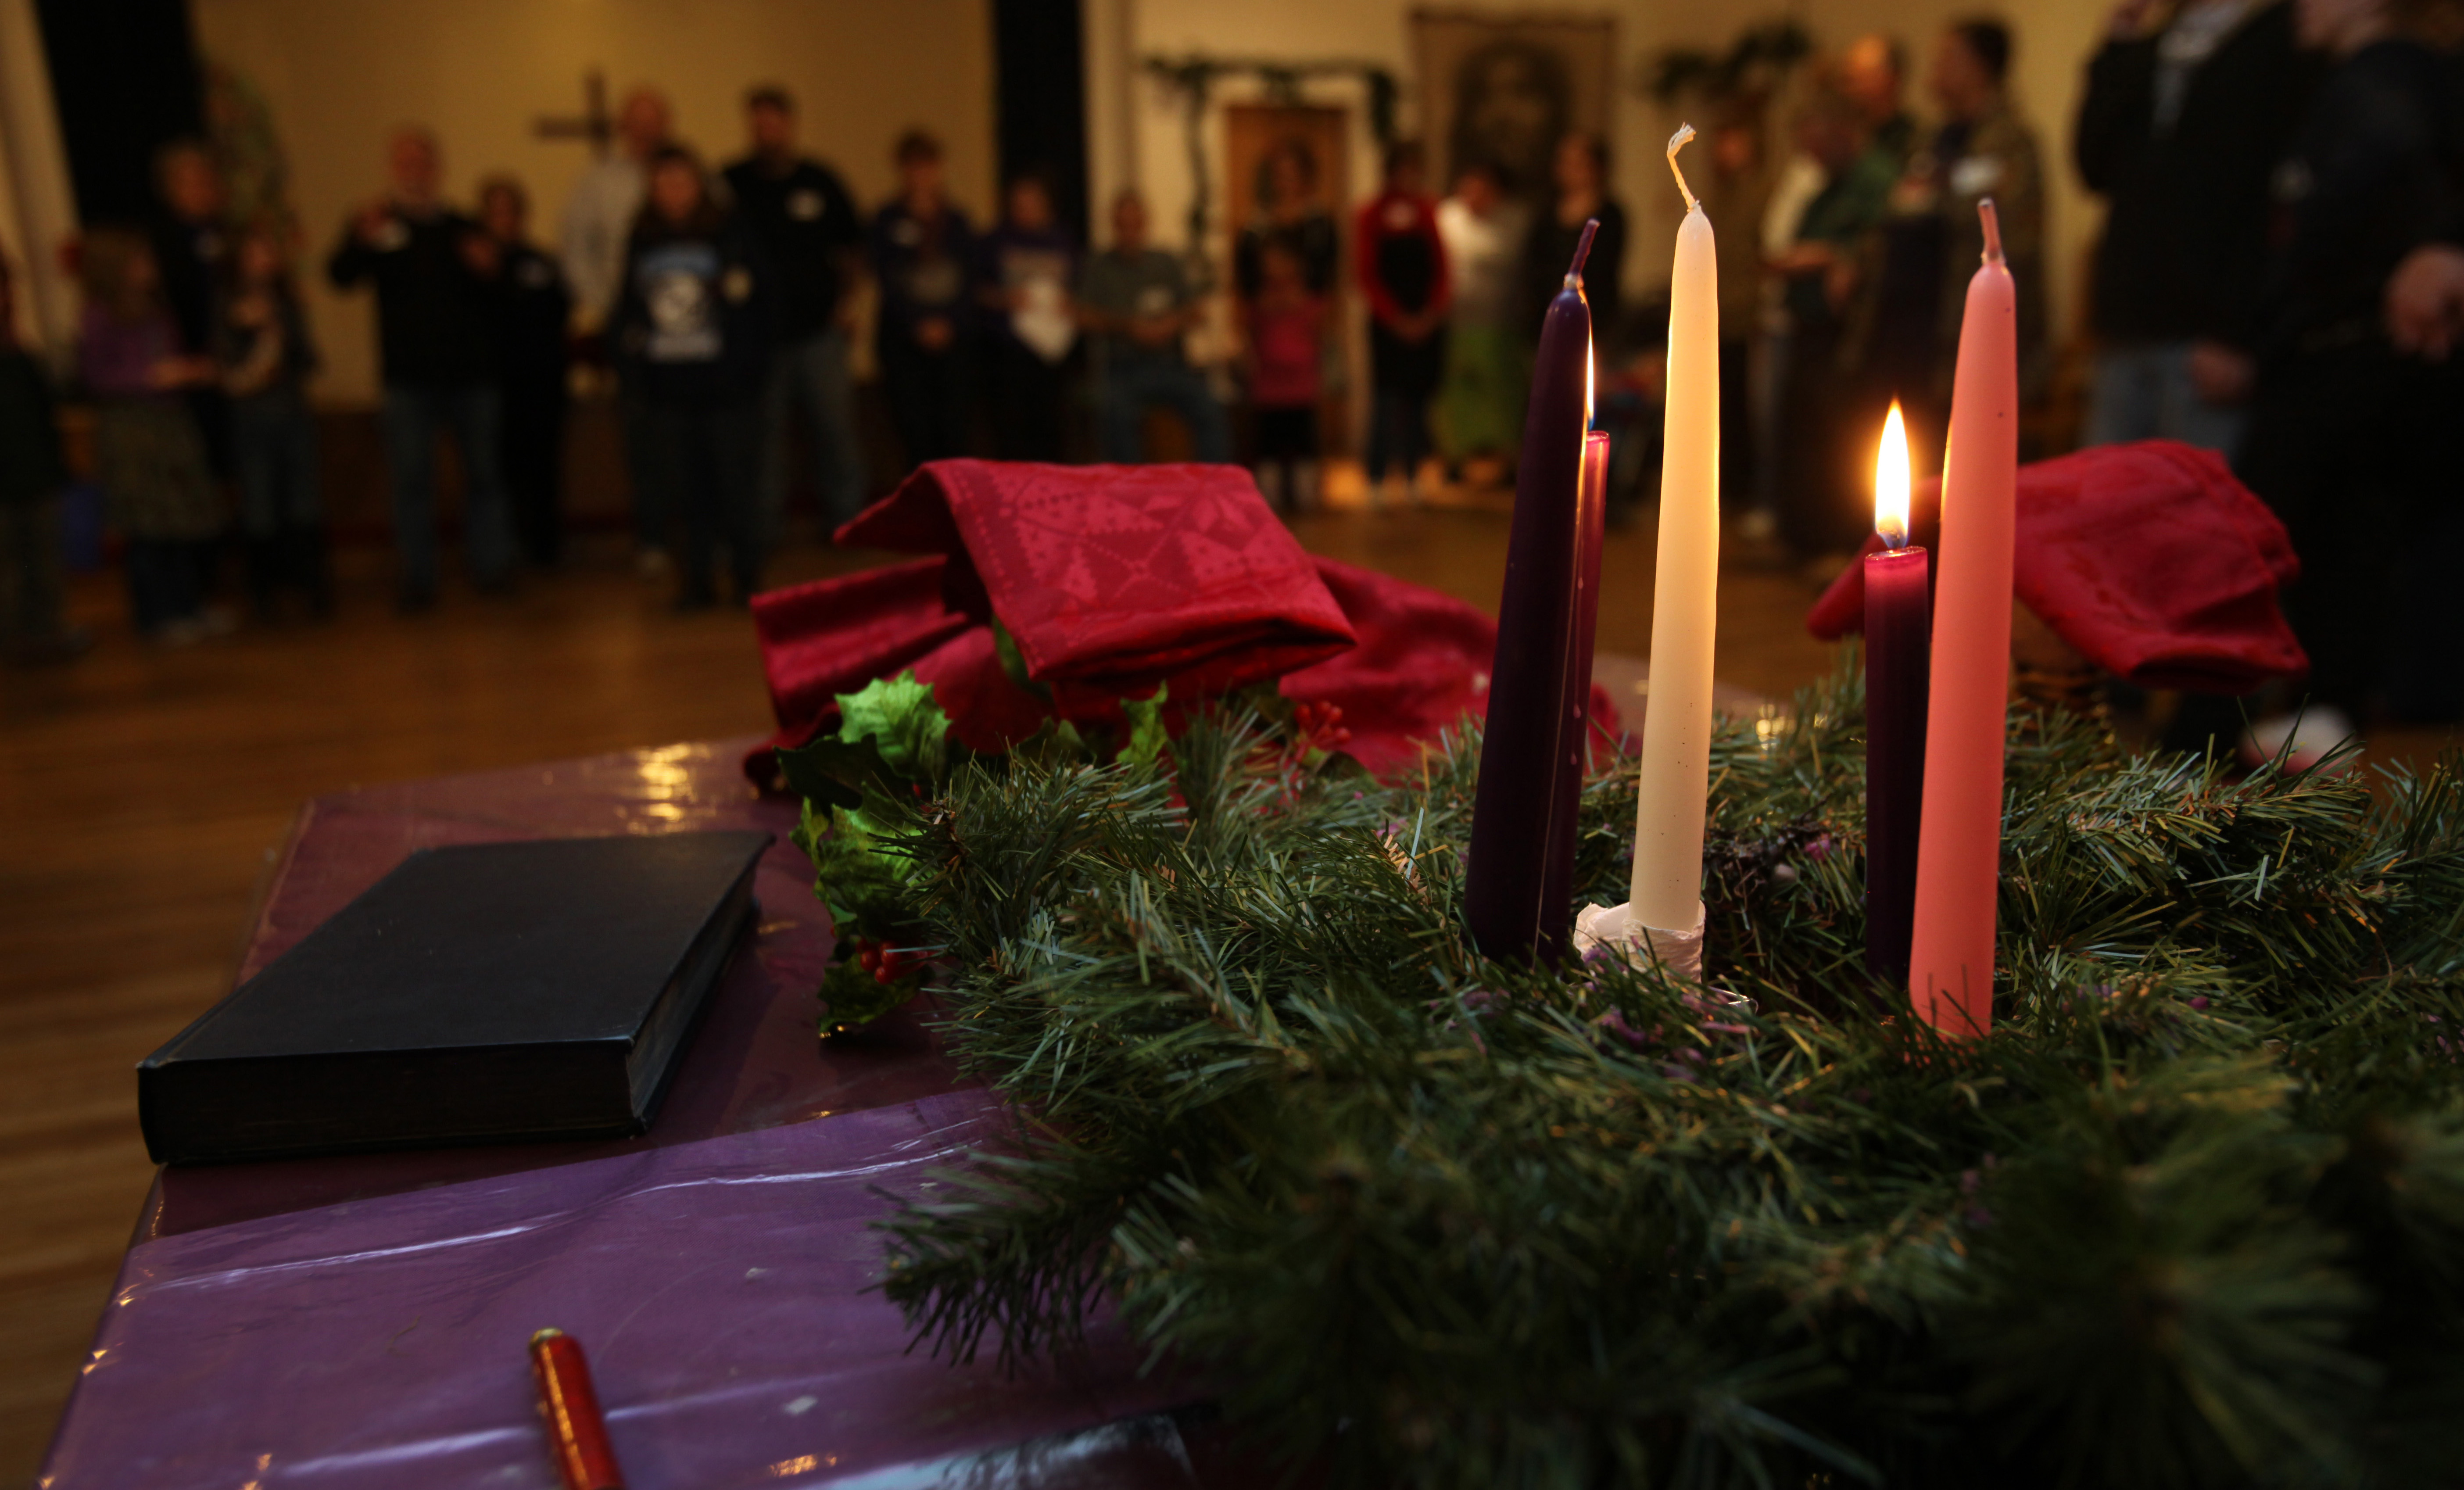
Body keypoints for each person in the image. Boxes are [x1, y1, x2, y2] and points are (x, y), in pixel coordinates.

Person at [2232, 0, 2464, 744]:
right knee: (2346, 549)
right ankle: (2320, 713)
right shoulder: (2371, 81)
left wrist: (2279, 316)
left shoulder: (2384, 79)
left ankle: (2195, 741)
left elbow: (2356, 195)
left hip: (2341, 349)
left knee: (2251, 543)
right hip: (2363, 356)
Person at [2075, 0, 2316, 455]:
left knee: (2193, 510)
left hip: (2212, 332)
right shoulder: (2149, 45)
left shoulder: (2281, 36)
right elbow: (2094, 166)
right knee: (2104, 504)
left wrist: (2244, 334)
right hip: (2129, 322)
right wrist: (2117, 49)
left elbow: (2273, 198)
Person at [326, 127, 514, 610]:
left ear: (437, 169)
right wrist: (358, 238)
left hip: (471, 377)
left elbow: (499, 291)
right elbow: (340, 276)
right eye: (404, 162)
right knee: (412, 482)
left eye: (421, 162)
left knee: (485, 476)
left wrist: (489, 268)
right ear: (393, 170)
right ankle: (418, 578)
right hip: (408, 380)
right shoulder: (376, 226)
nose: (414, 171)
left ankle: (491, 567)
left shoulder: (461, 227)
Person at [1846, 19, 2048, 466]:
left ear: (1981, 68)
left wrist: (1940, 198)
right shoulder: (1930, 141)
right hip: (1899, 333)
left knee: (1948, 466)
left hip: (1952, 339)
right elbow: (1894, 213)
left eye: (1949, 59)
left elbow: (2008, 235)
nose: (1935, 70)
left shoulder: (2009, 142)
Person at [613, 147, 773, 610]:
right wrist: (636, 373)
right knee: (686, 493)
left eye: (681, 181)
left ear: (699, 185)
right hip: (670, 394)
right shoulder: (643, 239)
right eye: (663, 182)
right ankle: (696, 581)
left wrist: (746, 371)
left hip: (727, 391)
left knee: (737, 487)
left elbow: (762, 306)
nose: (673, 192)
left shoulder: (732, 234)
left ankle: (747, 577)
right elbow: (626, 313)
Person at [723, 86, 868, 540]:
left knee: (836, 430)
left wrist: (847, 307)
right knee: (766, 441)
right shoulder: (732, 182)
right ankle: (765, 529)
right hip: (761, 338)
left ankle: (848, 522)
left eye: (775, 122)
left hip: (820, 332)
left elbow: (853, 250)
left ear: (790, 124)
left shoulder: (820, 180)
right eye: (758, 123)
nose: (767, 131)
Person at [77, 228, 227, 643]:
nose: (149, 269)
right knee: (148, 527)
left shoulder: (157, 309)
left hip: (169, 422)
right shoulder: (99, 314)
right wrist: (148, 378)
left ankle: (188, 607)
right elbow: (96, 377)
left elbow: (170, 356)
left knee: (181, 520)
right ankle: (156, 615)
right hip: (132, 430)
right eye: (140, 261)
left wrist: (191, 369)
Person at [1770, 82, 1898, 559]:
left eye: (1816, 140)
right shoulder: (1828, 185)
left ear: (1843, 131)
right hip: (1807, 328)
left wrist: (1832, 257)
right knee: (1803, 438)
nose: (1811, 154)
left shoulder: (1877, 178)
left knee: (1839, 442)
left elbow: (1882, 242)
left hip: (1848, 339)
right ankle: (1803, 541)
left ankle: (1838, 545)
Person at [558, 87, 673, 575]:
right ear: (625, 126)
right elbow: (574, 247)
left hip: (690, 335)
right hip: (631, 332)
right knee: (643, 438)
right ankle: (653, 539)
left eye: (655, 120)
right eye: (637, 120)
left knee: (695, 439)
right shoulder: (599, 184)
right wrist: (605, 307)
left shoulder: (694, 175)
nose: (646, 129)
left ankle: (707, 534)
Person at [215, 226, 328, 618]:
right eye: (255, 254)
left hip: (292, 415)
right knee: (259, 506)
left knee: (304, 502)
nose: (264, 262)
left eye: (268, 253)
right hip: (252, 421)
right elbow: (226, 370)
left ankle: (313, 588)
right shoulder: (226, 307)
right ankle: (264, 594)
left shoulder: (288, 304)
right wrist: (244, 329)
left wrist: (284, 335)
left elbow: (311, 361)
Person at [1079, 189, 1231, 463]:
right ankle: (1132, 494)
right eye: (1122, 224)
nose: (1129, 231)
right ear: (1114, 225)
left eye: (1135, 223)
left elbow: (1198, 311)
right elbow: (1082, 316)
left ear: (1145, 223)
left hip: (1171, 367)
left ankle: (1212, 489)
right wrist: (1129, 327)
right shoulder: (1100, 267)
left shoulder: (1166, 262)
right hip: (1123, 370)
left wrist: (1170, 324)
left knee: (1210, 406)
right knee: (1115, 414)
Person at [478, 176, 573, 568]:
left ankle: (546, 548)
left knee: (544, 470)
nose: (504, 220)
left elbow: (559, 311)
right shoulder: (476, 266)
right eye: (496, 213)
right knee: (499, 471)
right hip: (495, 386)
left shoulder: (541, 262)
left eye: (510, 211)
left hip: (542, 384)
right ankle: (503, 550)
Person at [0, 256, 88, 663]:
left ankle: (48, 629)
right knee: (10, 566)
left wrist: (58, 467)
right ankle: (14, 636)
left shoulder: (21, 357)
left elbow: (43, 418)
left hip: (34, 474)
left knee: (44, 558)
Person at [871, 130, 976, 471]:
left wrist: (948, 323)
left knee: (953, 431)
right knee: (915, 432)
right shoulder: (887, 221)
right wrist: (917, 323)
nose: (921, 175)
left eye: (927, 166)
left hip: (953, 341)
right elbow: (885, 278)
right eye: (913, 167)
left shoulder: (957, 221)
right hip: (904, 340)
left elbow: (970, 279)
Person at [1356, 140, 1449, 507]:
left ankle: (1413, 474)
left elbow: (1442, 270)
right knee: (1384, 402)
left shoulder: (1427, 212)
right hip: (1388, 326)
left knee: (1418, 402)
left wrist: (1430, 315)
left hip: (1425, 322)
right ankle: (1376, 477)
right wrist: (1395, 319)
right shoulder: (1370, 214)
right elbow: (1367, 275)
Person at [1698, 107, 1774, 515]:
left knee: (1746, 409)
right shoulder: (1718, 194)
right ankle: (1724, 489)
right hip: (1718, 314)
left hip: (1746, 316)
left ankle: (1747, 493)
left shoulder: (1764, 191)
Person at [974, 170, 1079, 462]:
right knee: (1012, 433)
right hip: (1007, 351)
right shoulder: (994, 241)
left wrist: (1069, 304)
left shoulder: (1063, 240)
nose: (1025, 210)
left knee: (1052, 430)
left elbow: (1079, 292)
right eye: (1019, 204)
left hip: (1052, 351)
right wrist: (1005, 299)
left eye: (1032, 203)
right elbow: (972, 292)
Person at [1434, 160, 1529, 481]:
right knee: (1458, 393)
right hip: (1456, 322)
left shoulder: (1514, 221)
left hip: (1500, 322)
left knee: (1500, 394)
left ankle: (1505, 460)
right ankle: (1454, 456)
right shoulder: (1446, 217)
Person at [150, 139, 234, 481]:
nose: (203, 190)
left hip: (237, 363)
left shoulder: (231, 234)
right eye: (192, 183)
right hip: (193, 367)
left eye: (207, 180)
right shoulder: (162, 244)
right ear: (172, 190)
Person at [1522, 133, 1627, 351]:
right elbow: (1533, 263)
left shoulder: (1610, 214)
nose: (1569, 170)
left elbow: (1604, 269)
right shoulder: (1547, 212)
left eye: (1578, 164)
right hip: (1547, 317)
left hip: (1593, 319)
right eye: (1564, 162)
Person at [1245, 239, 1327, 514]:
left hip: (1302, 387)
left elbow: (1320, 332)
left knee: (1304, 443)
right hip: (1268, 388)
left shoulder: (1308, 300)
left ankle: (1306, 496)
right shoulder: (1258, 301)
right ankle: (1269, 499)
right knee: (1269, 444)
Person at [1236, 139, 1340, 301]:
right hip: (1266, 310)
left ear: (1306, 177)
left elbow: (1327, 275)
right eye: (1280, 175)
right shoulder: (1257, 224)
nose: (1286, 183)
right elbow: (1246, 276)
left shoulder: (1319, 224)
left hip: (1308, 309)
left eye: (1292, 174)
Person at [1837, 34, 1920, 167]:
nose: (1850, 91)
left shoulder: (1914, 143)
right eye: (1847, 81)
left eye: (1861, 80)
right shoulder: (1839, 141)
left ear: (1892, 80)